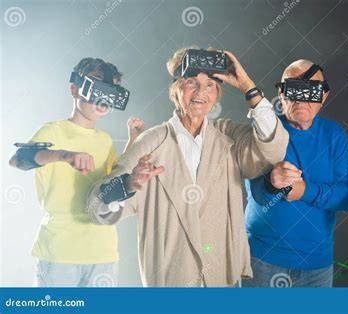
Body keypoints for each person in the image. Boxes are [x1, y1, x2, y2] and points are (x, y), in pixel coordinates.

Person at [86, 47, 289, 287]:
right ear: (176, 90)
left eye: (210, 84)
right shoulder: (151, 142)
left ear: (217, 94)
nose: (201, 91)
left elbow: (273, 144)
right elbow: (95, 208)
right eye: (191, 82)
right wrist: (127, 184)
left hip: (220, 279)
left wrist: (247, 86)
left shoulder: (229, 137)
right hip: (170, 280)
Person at [8, 58, 142, 287]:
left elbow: (113, 178)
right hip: (61, 253)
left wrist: (133, 141)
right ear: (74, 89)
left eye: (111, 90)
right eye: (98, 87)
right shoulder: (53, 130)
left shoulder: (104, 140)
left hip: (103, 252)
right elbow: (18, 160)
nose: (103, 98)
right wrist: (64, 155)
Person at [243, 60, 348, 287]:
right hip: (262, 259)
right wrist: (270, 183)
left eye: (311, 91)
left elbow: (347, 197)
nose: (302, 99)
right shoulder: (268, 129)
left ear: (323, 97)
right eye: (295, 89)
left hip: (316, 265)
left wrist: (305, 191)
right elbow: (254, 191)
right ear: (281, 93)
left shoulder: (333, 135)